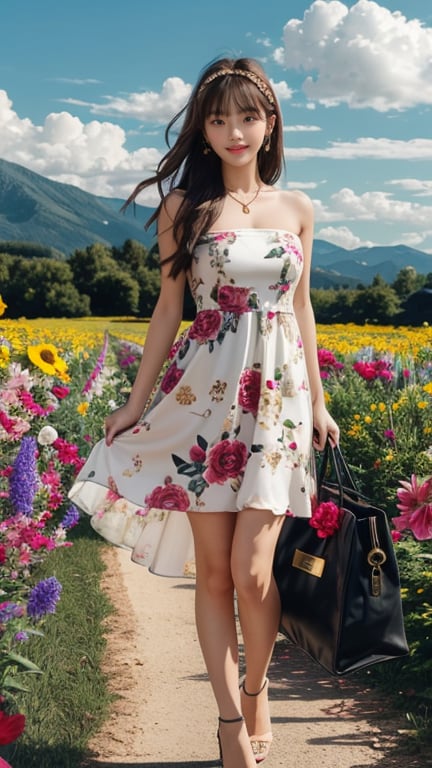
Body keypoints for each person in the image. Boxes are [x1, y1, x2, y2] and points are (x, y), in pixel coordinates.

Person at [69, 56, 339, 768]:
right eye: (217, 119)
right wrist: (134, 403)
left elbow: (302, 309)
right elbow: (168, 310)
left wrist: (320, 400)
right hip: (203, 402)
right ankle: (227, 724)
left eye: (247, 116)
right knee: (214, 575)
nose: (233, 131)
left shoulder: (299, 210)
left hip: (277, 405)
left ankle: (256, 688)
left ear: (270, 122)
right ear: (204, 128)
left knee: (254, 570)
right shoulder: (183, 211)